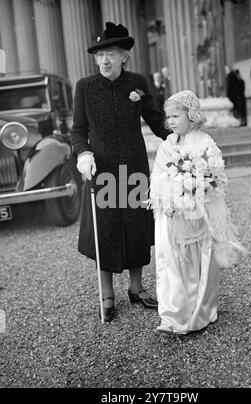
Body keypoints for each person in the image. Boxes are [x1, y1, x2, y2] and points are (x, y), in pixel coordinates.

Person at [71, 22, 171, 322]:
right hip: (100, 171)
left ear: (124, 56)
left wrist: (184, 137)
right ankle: (106, 294)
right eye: (100, 54)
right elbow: (77, 131)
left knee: (136, 227)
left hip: (134, 168)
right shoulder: (85, 87)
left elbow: (157, 122)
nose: (104, 60)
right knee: (106, 230)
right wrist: (83, 153)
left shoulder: (137, 83)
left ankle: (137, 288)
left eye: (110, 53)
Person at [148, 90, 248, 335]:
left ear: (191, 116)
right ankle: (173, 316)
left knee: (198, 263)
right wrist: (173, 191)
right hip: (171, 213)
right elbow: (157, 177)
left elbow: (216, 178)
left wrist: (196, 186)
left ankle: (201, 311)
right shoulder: (166, 146)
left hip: (197, 211)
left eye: (176, 116)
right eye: (168, 117)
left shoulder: (205, 143)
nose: (170, 121)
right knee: (170, 263)